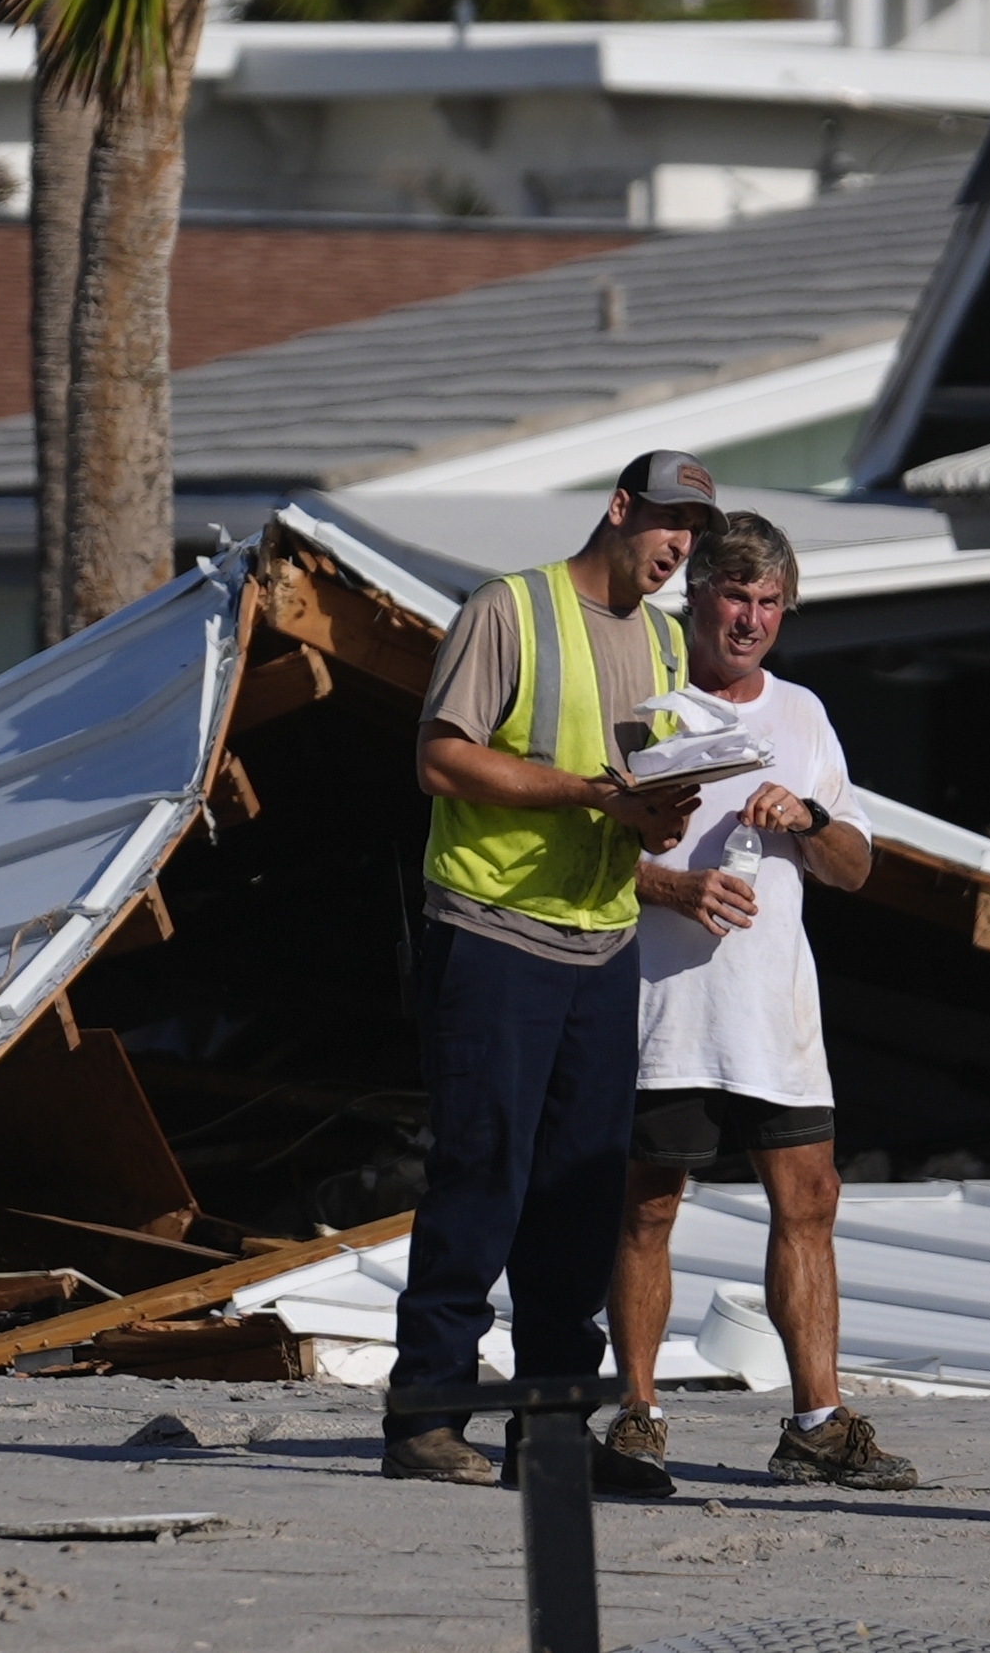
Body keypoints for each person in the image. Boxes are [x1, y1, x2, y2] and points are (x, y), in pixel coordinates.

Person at [383, 451, 721, 1495]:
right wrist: (590, 794)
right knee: (484, 1171)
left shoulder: (667, 636)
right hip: (493, 928)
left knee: (580, 1192)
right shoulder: (509, 608)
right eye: (667, 521)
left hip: (602, 935)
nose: (678, 546)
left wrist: (665, 807)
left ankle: (554, 1432)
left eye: (694, 531)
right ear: (618, 508)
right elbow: (441, 758)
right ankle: (427, 1414)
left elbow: (645, 781)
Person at [606, 512, 917, 1491]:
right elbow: (579, 851)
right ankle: (637, 1412)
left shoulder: (803, 713)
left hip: (773, 1015)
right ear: (693, 597)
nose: (749, 618)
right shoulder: (638, 699)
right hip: (665, 1008)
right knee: (649, 1208)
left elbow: (856, 867)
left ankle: (816, 1419)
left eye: (769, 601)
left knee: (809, 1202)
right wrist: (672, 885)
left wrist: (809, 817)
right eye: (734, 596)